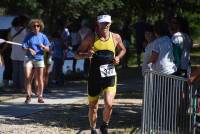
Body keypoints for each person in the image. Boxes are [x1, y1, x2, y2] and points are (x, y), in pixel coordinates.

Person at [75, 13, 126, 134]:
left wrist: (118, 57)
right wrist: (86, 55)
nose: (105, 25)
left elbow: (123, 49)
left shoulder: (115, 37)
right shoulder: (91, 37)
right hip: (94, 76)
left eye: (107, 22)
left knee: (109, 104)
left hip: (110, 76)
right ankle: (93, 129)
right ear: (97, 24)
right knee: (93, 107)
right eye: (103, 22)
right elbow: (76, 54)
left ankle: (105, 125)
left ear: (110, 23)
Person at [22, 18, 50, 104]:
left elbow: (48, 49)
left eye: (38, 26)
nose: (36, 27)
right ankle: (28, 96)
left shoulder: (43, 36)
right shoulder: (28, 36)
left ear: (40, 27)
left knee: (40, 78)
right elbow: (23, 47)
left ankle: (40, 96)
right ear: (31, 27)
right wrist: (29, 49)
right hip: (29, 58)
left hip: (39, 58)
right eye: (34, 26)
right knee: (28, 77)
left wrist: (44, 47)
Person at [8, 16, 28, 92]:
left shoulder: (11, 30)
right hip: (23, 52)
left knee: (15, 71)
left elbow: (9, 40)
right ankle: (21, 87)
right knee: (22, 71)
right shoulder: (25, 30)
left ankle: (15, 87)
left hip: (14, 52)